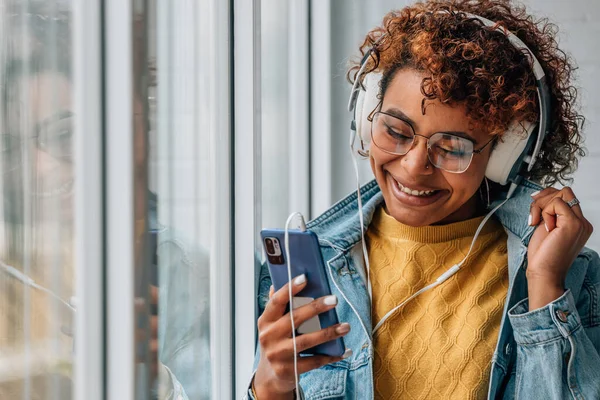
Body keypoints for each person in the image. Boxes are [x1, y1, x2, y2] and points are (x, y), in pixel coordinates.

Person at [247, 1, 600, 399]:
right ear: (367, 119)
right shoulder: (308, 269)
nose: (414, 168)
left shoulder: (568, 274)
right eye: (397, 131)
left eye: (452, 147)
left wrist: (544, 286)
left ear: (505, 157)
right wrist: (271, 386)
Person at [0, 2, 210, 399]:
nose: (39, 167)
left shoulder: (183, 272)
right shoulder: (15, 264)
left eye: (64, 134)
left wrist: (154, 380)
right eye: (13, 145)